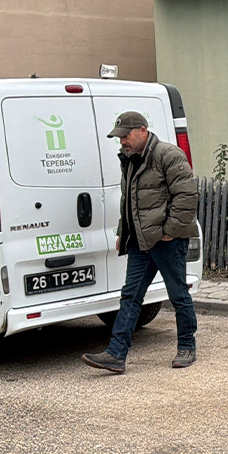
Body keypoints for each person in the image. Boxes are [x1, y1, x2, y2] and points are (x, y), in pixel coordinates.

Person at [82, 111, 200, 373]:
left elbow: (187, 195)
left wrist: (170, 230)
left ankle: (186, 346)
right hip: (140, 240)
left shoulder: (168, 155)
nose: (122, 141)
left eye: (126, 136)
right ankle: (116, 354)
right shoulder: (129, 159)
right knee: (131, 296)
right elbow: (129, 201)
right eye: (119, 137)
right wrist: (123, 233)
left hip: (167, 240)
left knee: (178, 294)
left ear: (143, 131)